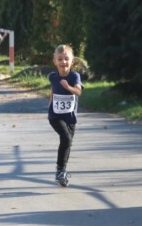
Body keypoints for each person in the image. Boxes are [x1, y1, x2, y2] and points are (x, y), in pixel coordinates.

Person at [47, 45, 83, 186]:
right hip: (55, 116)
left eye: (66, 59)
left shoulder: (75, 76)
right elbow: (53, 91)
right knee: (66, 138)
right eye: (60, 59)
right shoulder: (53, 77)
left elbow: (79, 92)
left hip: (70, 117)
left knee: (67, 143)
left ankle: (62, 171)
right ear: (54, 61)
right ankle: (60, 170)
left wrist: (68, 87)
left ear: (72, 61)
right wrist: (49, 106)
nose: (63, 62)